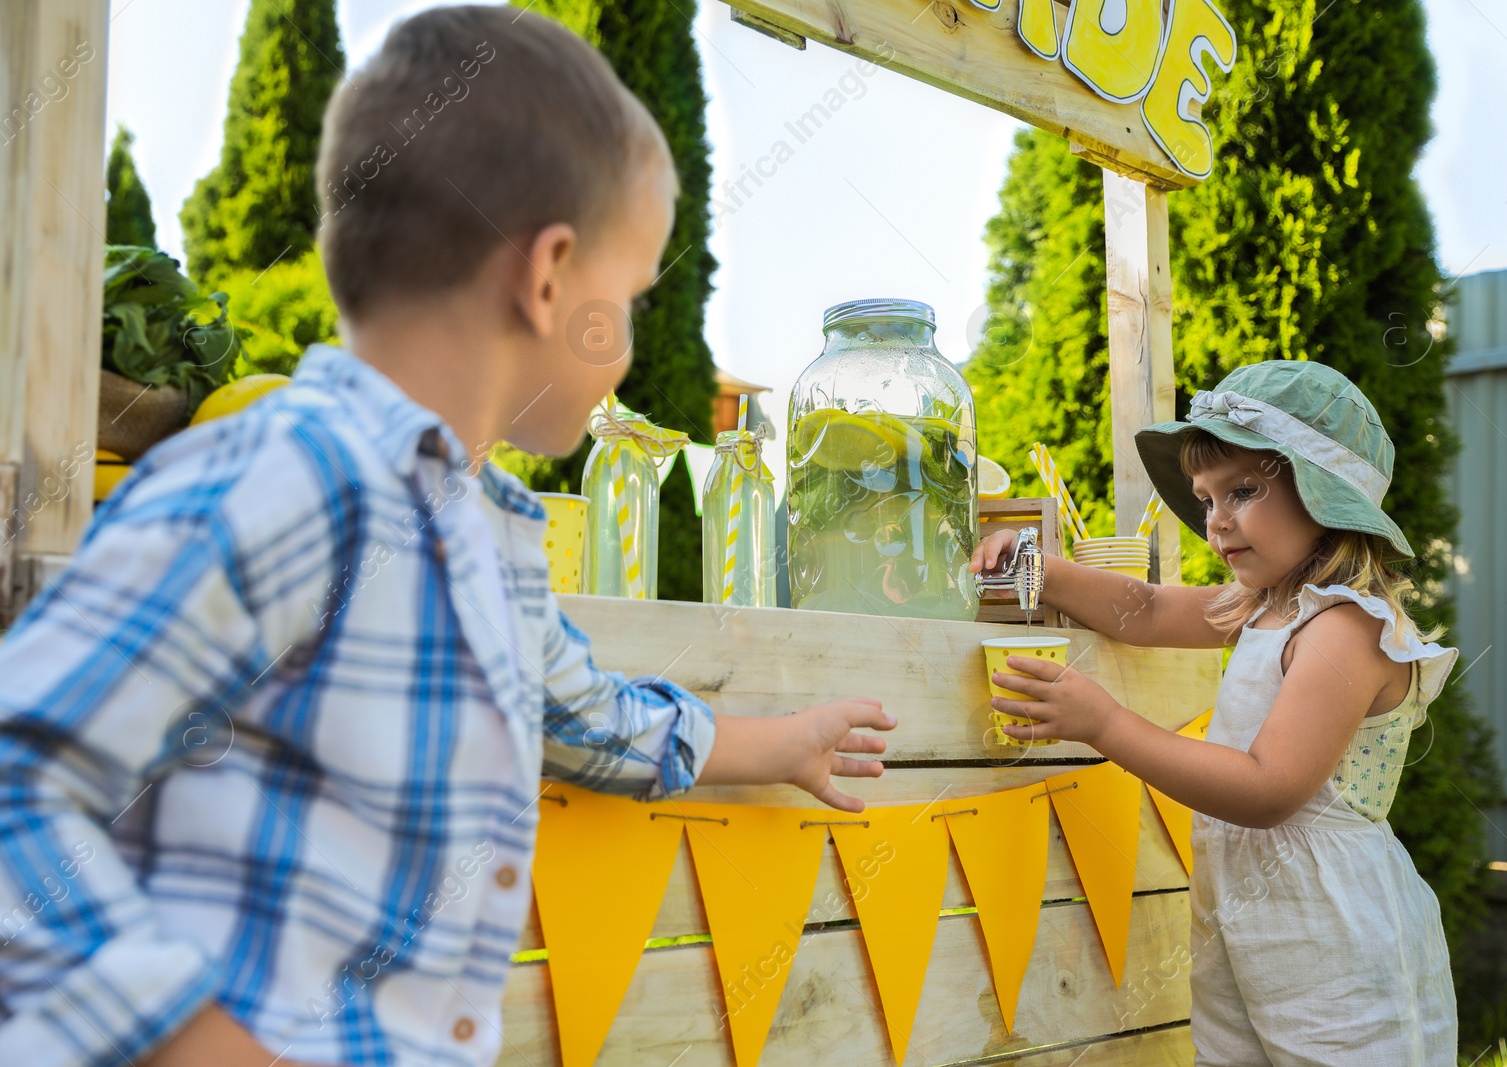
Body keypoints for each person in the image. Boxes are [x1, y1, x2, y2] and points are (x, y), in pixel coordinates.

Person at [0, 8, 894, 1066]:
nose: (634, 340)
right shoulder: (289, 474)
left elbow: (589, 716)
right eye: (633, 295)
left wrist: (776, 742)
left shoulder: (491, 541)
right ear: (551, 276)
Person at [971, 360, 1457, 1064]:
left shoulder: (1346, 630)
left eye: (1245, 490)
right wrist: (1040, 568)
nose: (1217, 519)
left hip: (1337, 938)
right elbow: (1144, 611)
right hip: (1239, 917)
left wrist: (1105, 723)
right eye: (1205, 498)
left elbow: (1268, 788)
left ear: (1328, 497)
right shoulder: (1261, 606)